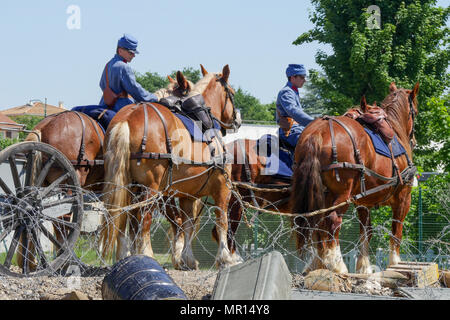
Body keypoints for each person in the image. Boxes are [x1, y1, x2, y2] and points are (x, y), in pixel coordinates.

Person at [72, 34, 158, 131]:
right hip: (121, 110)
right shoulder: (124, 67)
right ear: (120, 50)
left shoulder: (108, 65)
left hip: (104, 105)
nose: (133, 55)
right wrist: (153, 98)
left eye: (134, 53)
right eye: (130, 52)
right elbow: (135, 90)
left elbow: (102, 84)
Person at [276, 64, 314, 150]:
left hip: (298, 129)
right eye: (302, 77)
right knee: (311, 145)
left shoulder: (293, 91)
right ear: (293, 77)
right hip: (290, 131)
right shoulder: (286, 92)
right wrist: (314, 122)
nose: (305, 80)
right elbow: (294, 111)